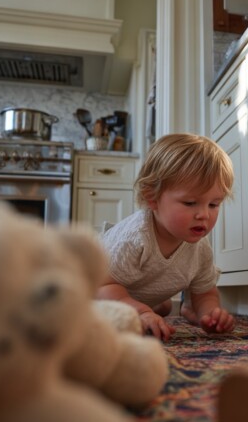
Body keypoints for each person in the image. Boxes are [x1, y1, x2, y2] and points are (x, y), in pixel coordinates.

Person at [96, 133, 236, 341]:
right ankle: (146, 307)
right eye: (190, 203)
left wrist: (209, 313)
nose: (204, 214)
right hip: (95, 290)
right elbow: (102, 286)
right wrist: (142, 312)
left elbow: (204, 292)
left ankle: (183, 309)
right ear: (152, 199)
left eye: (214, 204)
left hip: (137, 292)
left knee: (163, 306)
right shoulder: (135, 237)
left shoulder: (200, 247)